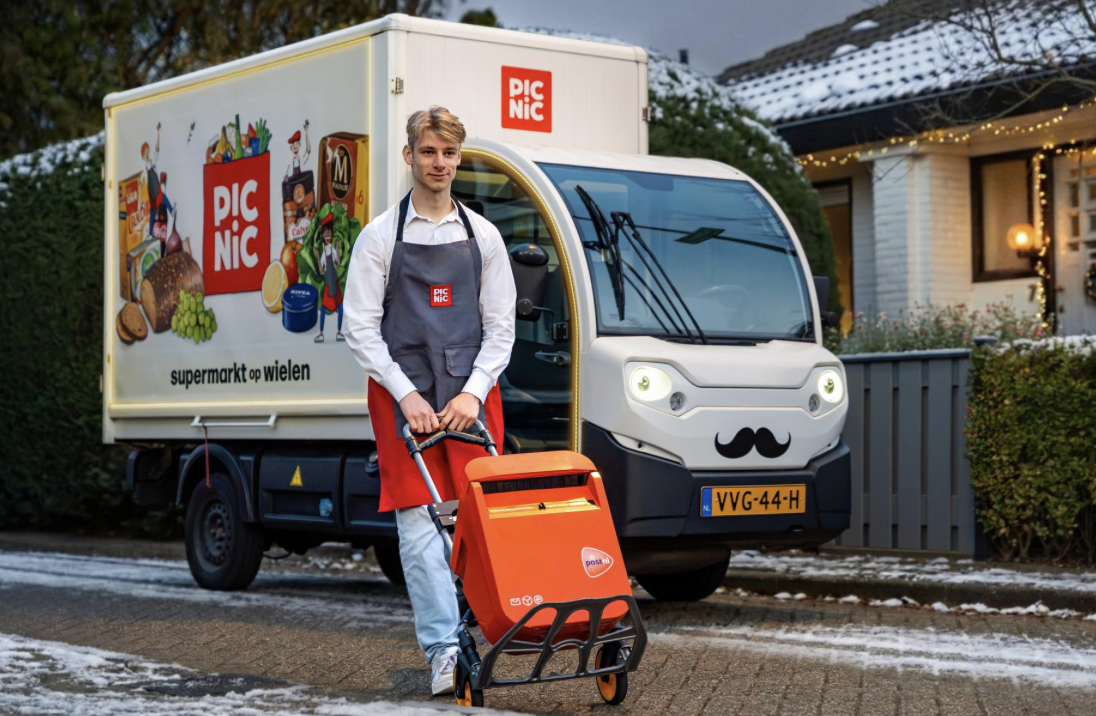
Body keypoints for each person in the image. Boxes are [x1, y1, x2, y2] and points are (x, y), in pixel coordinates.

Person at [343, 106, 515, 696]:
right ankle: (443, 651)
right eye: (428, 152)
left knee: (479, 519)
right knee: (420, 526)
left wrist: (472, 393)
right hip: (404, 398)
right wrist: (407, 396)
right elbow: (359, 328)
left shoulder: (484, 236)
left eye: (448, 153)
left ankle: (498, 625)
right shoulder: (378, 237)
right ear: (409, 156)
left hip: (471, 399)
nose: (439, 163)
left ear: (458, 159)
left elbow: (502, 329)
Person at [315, 211, 345, 343]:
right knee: (323, 309)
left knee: (341, 307)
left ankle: (339, 332)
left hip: (335, 282)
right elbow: (321, 270)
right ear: (322, 236)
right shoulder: (323, 252)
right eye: (325, 233)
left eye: (329, 233)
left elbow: (338, 262)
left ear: (331, 235)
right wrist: (317, 256)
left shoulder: (332, 249)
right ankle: (321, 334)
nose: (327, 235)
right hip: (328, 283)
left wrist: (337, 247)